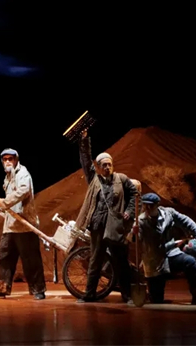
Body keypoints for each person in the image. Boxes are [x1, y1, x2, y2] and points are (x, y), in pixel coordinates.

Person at [74, 130, 138, 304]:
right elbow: (85, 161)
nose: (107, 167)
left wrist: (129, 211)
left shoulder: (121, 179)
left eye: (109, 164)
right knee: (95, 260)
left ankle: (127, 295)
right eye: (104, 165)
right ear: (99, 167)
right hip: (98, 226)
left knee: (121, 261)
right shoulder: (94, 180)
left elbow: (134, 194)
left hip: (115, 226)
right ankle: (89, 294)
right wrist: (84, 141)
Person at [0, 148, 47, 300]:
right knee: (3, 257)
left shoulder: (22, 174)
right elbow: (10, 199)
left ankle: (38, 290)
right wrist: (1, 207)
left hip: (25, 225)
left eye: (10, 159)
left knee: (30, 260)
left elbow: (23, 192)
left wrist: (5, 203)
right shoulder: (7, 177)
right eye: (5, 159)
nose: (7, 162)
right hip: (10, 226)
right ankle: (2, 288)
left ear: (16, 160)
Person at [134, 192, 196, 305]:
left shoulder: (168, 213)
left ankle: (195, 296)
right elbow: (135, 238)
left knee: (190, 262)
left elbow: (186, 221)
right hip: (155, 261)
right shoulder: (140, 221)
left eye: (151, 205)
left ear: (157, 205)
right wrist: (134, 233)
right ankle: (151, 293)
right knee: (157, 300)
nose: (148, 208)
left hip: (171, 254)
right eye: (145, 205)